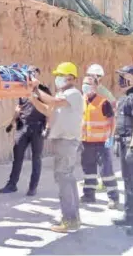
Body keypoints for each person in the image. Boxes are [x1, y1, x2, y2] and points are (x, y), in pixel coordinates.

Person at [35, 62, 83, 233]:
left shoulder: (73, 94)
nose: (57, 78)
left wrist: (35, 88)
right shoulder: (63, 95)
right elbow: (48, 109)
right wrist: (32, 97)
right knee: (67, 179)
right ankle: (73, 218)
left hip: (67, 141)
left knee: (64, 179)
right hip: (63, 142)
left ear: (70, 77)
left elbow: (54, 101)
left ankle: (70, 220)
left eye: (60, 75)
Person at [0, 67, 52, 196]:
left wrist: (47, 128)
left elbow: (50, 110)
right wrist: (12, 123)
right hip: (22, 126)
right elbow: (19, 109)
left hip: (38, 128)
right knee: (17, 157)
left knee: (36, 158)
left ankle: (32, 188)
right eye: (30, 74)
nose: (32, 77)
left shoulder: (44, 91)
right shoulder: (22, 90)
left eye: (34, 74)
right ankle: (12, 185)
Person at [80, 75, 119, 208]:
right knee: (88, 169)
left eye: (89, 84)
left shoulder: (103, 102)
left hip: (102, 142)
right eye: (84, 83)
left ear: (96, 87)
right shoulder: (81, 101)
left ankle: (113, 197)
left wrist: (111, 138)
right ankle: (89, 195)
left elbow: (112, 121)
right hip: (86, 142)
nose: (85, 86)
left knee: (106, 171)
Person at [113, 65, 133, 236]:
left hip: (131, 144)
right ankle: (129, 216)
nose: (121, 79)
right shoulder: (126, 97)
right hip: (124, 142)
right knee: (127, 182)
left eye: (124, 75)